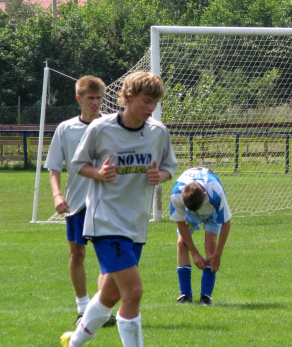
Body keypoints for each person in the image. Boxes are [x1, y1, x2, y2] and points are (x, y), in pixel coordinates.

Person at [60, 71, 178, 347]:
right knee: (133, 292)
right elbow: (78, 164)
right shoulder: (102, 128)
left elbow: (170, 166)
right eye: (146, 101)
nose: (151, 108)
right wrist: (99, 173)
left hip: (136, 224)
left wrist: (160, 176)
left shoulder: (157, 132)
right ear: (127, 97)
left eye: (155, 103)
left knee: (110, 294)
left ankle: (74, 342)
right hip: (105, 221)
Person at [44, 75, 116, 327]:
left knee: (107, 257)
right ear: (79, 99)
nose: (95, 103)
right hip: (76, 202)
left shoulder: (111, 126)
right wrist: (57, 195)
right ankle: (82, 308)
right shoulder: (65, 128)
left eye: (98, 98)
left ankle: (100, 310)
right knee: (77, 255)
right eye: (90, 98)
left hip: (107, 202)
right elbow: (53, 167)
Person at [169, 167, 232, 306]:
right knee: (181, 243)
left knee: (211, 246)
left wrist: (218, 255)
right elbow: (180, 224)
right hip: (189, 214)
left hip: (212, 213)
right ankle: (185, 295)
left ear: (204, 194)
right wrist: (195, 253)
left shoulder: (215, 192)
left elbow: (226, 224)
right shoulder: (176, 195)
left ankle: (206, 297)